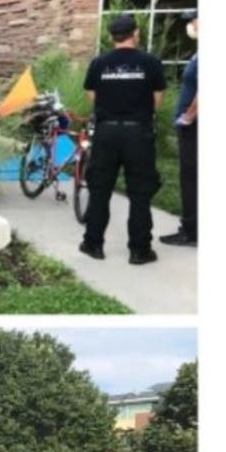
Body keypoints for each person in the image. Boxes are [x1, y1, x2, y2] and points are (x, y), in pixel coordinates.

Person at [80, 14, 167, 265]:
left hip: (106, 132)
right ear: (135, 33)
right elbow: (157, 101)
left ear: (111, 37)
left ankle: (93, 244)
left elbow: (91, 96)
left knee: (100, 190)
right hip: (138, 133)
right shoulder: (150, 63)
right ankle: (139, 250)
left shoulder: (99, 63)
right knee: (140, 193)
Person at [161, 10, 198, 247]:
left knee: (191, 177)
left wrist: (189, 116)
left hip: (194, 127)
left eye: (193, 20)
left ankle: (191, 229)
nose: (191, 25)